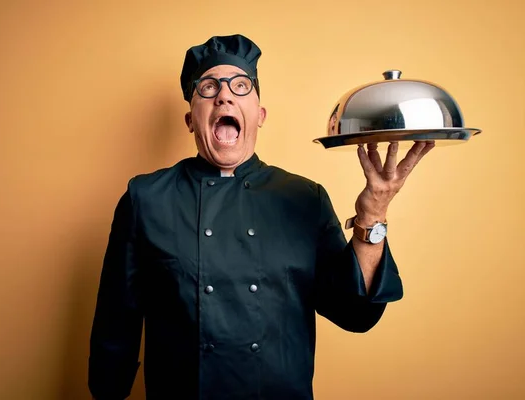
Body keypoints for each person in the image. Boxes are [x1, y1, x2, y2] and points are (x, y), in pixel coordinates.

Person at [88, 34, 434, 400]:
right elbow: (116, 327)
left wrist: (373, 212)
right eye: (208, 87)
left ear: (260, 115)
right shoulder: (146, 198)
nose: (224, 96)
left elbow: (355, 313)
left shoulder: (304, 198)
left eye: (240, 86)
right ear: (191, 119)